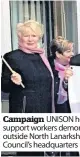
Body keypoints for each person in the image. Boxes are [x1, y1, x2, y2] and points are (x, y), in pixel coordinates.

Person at [1, 20, 54, 156]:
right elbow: (4, 87)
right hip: (25, 112)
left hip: (45, 110)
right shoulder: (12, 57)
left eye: (34, 35)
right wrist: (14, 81)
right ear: (19, 37)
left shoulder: (42, 57)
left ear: (39, 37)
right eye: (26, 35)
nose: (30, 39)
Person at [48, 36, 73, 113]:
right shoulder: (48, 69)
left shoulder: (75, 66)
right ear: (58, 54)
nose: (72, 54)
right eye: (68, 51)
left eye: (72, 51)